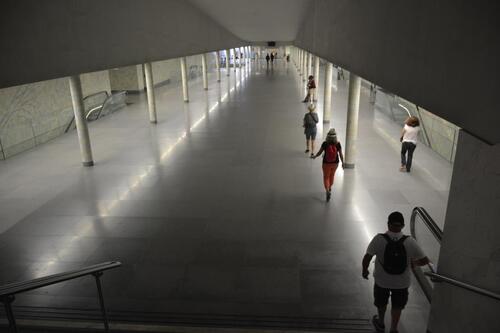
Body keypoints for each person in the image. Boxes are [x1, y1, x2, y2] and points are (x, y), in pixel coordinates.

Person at [362, 212, 430, 333]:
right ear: (403, 226)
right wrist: (413, 264)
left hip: (382, 281)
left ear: (388, 224)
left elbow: (367, 257)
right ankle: (393, 328)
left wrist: (365, 270)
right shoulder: (410, 241)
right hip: (402, 283)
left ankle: (381, 323)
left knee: (381, 302)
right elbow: (425, 260)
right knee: (397, 305)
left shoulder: (379, 239)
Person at [311, 128, 344, 201]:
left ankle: (327, 190)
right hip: (335, 163)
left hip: (326, 163)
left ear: (328, 136)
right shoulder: (338, 144)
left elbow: (320, 152)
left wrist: (315, 156)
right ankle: (329, 187)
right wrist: (343, 163)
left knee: (326, 177)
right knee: (332, 175)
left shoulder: (325, 143)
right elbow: (341, 154)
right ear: (335, 137)